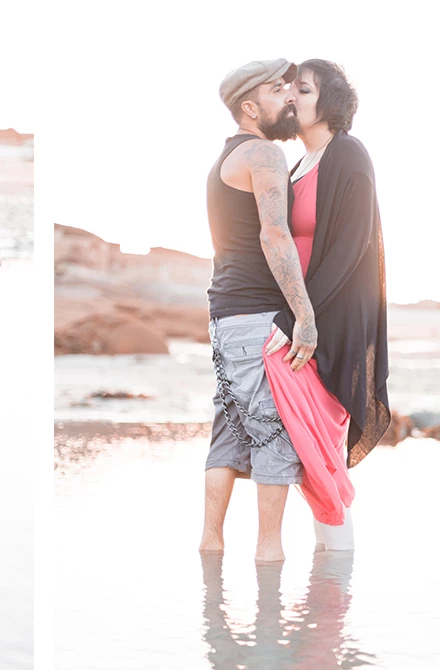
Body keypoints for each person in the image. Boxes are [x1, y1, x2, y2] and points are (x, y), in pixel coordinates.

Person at [262, 60, 391, 551]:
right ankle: (331, 578)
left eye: (304, 89)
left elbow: (350, 248)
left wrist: (298, 317)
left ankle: (337, 577)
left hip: (330, 323)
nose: (291, 97)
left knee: (320, 457)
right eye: (288, 89)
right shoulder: (296, 166)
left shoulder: (349, 154)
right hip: (298, 316)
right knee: (309, 454)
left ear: (330, 101)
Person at [199, 59, 312, 562]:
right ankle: (270, 559)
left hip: (225, 316)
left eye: (291, 87)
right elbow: (274, 234)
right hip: (257, 317)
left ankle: (211, 547)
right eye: (277, 89)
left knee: (230, 429)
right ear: (249, 106)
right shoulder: (263, 152)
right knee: (274, 432)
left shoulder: (226, 158)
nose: (289, 96)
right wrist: (304, 314)